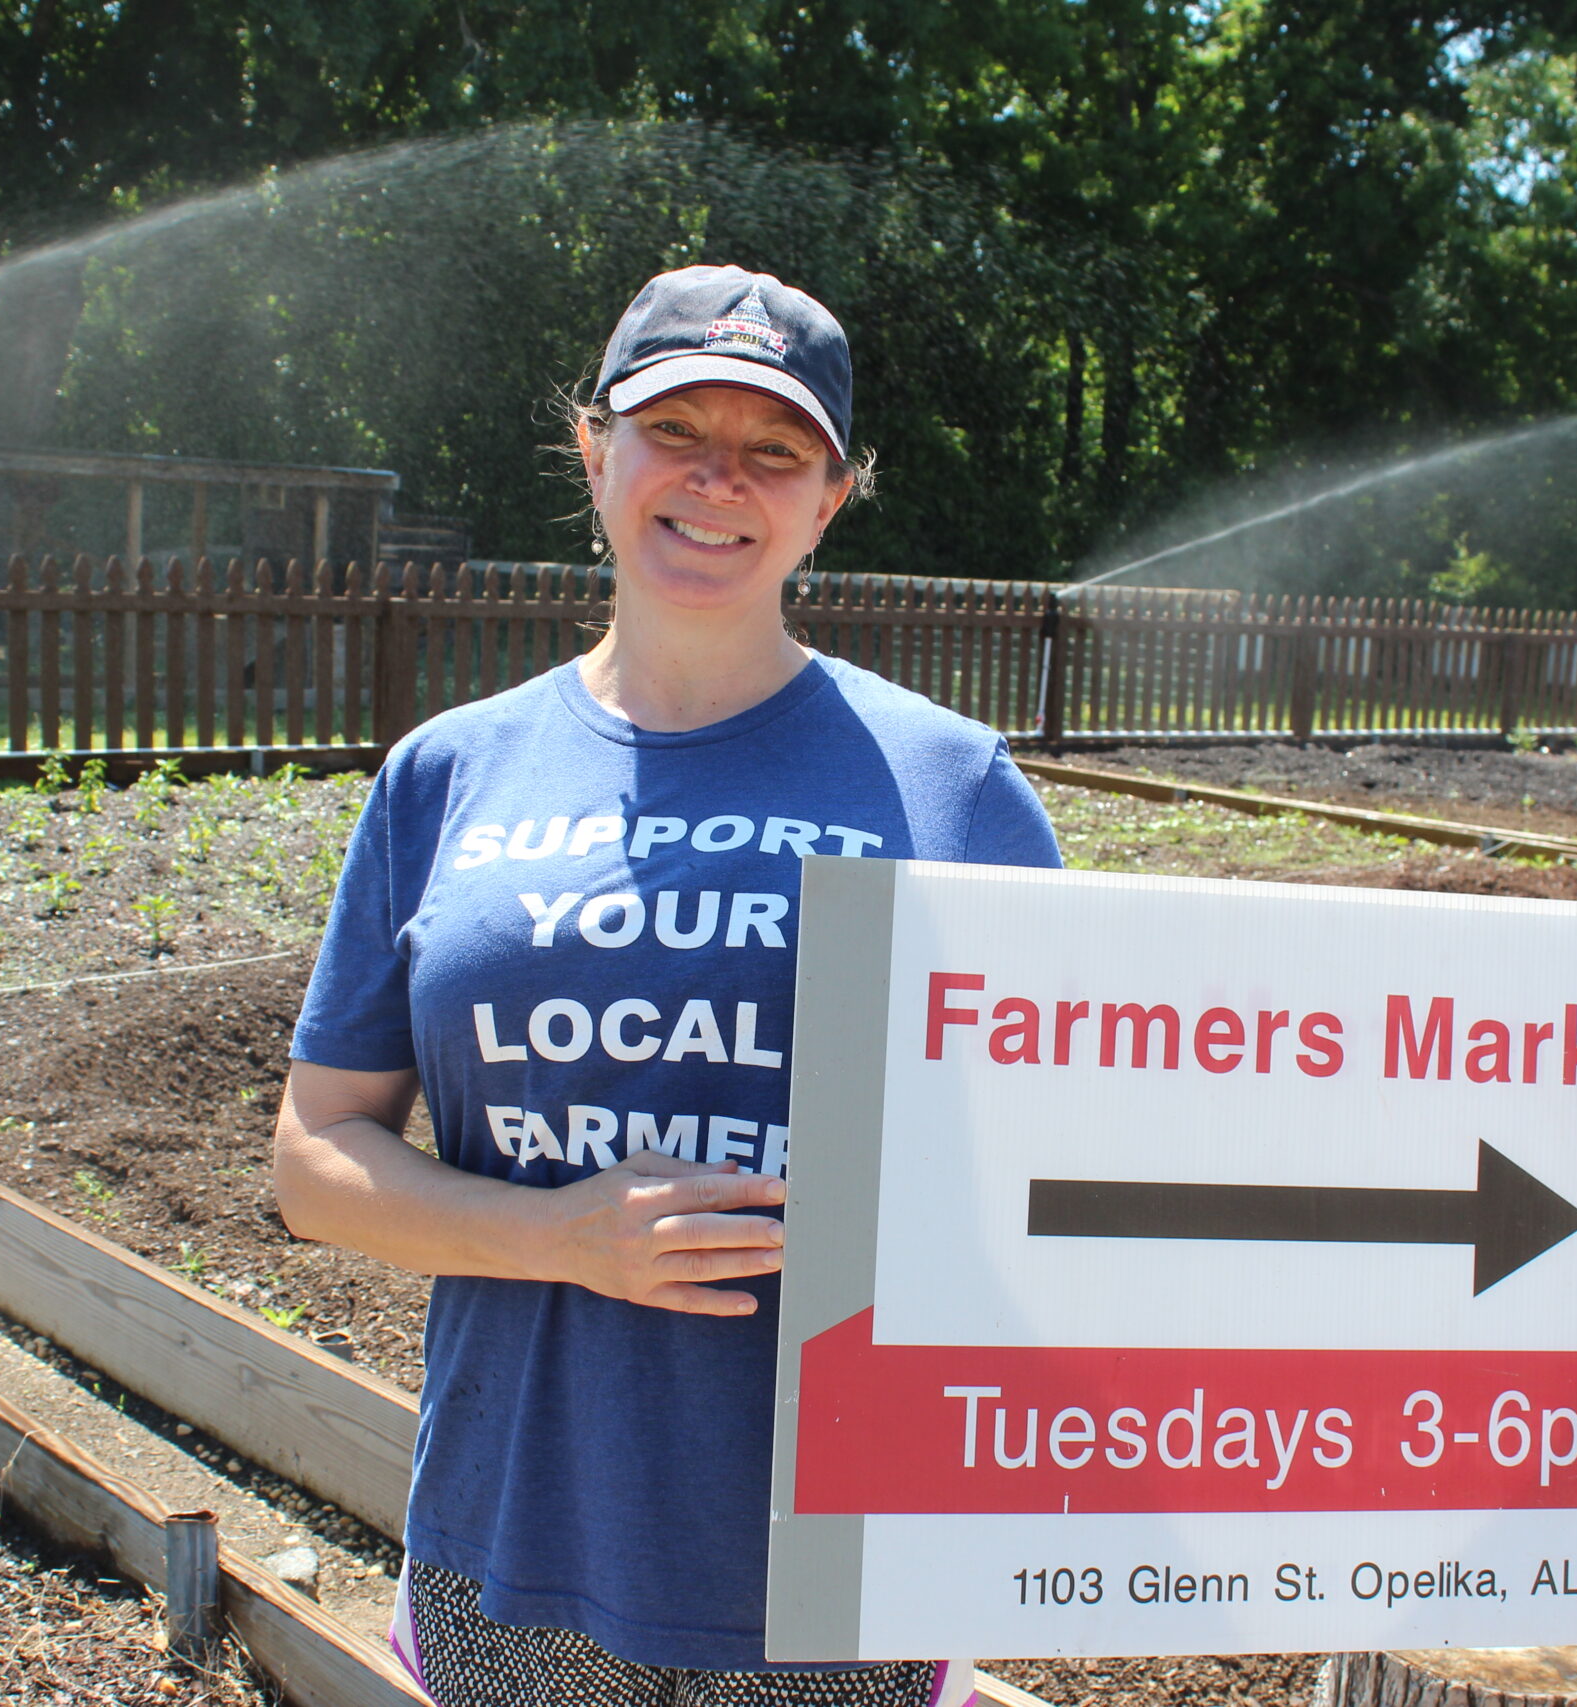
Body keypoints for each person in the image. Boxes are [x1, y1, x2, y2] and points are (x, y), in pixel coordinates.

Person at [274, 264, 1061, 1707]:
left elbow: (1049, 1174)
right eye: (673, 428)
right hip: (515, 1540)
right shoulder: (449, 773)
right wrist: (564, 1236)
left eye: (774, 449)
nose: (718, 479)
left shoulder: (953, 786)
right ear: (596, 452)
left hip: (841, 1568)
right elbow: (316, 1164)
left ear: (830, 498)